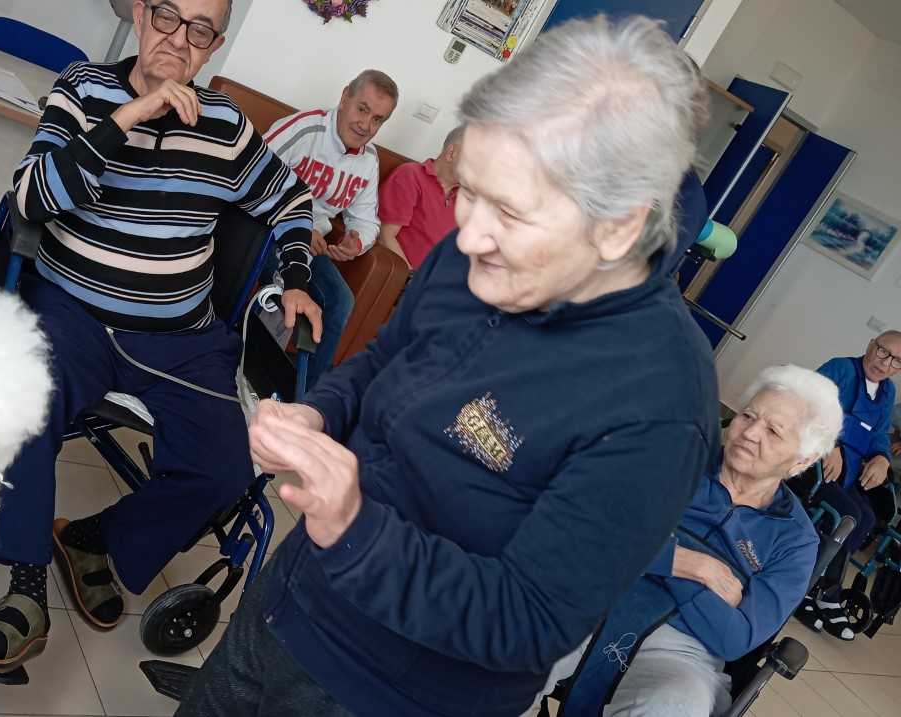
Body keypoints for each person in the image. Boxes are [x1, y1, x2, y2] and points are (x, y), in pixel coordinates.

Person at [176, 15, 718, 717]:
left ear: (618, 227)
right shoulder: (470, 253)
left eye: (510, 212)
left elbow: (529, 619)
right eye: (472, 191)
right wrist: (319, 412)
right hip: (289, 599)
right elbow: (383, 360)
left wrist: (355, 529)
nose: (469, 233)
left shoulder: (661, 404)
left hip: (390, 694)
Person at [0, 0, 323, 674]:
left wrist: (296, 275)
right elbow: (32, 197)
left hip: (181, 334)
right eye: (168, 15)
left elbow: (292, 201)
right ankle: (26, 587)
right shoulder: (84, 88)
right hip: (73, 310)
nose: (179, 38)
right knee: (26, 397)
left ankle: (95, 539)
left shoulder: (226, 126)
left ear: (214, 46)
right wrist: (127, 118)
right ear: (142, 14)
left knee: (230, 466)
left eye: (200, 29)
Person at [539, 365, 840, 717]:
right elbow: (588, 533)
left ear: (803, 459)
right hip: (591, 596)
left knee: (674, 706)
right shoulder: (675, 454)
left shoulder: (795, 540)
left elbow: (735, 638)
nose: (750, 433)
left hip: (682, 650)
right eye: (747, 416)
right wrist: (692, 566)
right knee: (513, 642)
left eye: (773, 431)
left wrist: (650, 551)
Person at [262, 69, 396, 385]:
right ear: (345, 96)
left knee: (341, 302)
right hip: (266, 230)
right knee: (283, 288)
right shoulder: (306, 129)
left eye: (377, 119)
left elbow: (366, 220)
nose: (366, 125)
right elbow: (252, 175)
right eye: (362, 109)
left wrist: (357, 242)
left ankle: (305, 395)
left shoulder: (369, 160)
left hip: (311, 248)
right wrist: (297, 225)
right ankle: (250, 371)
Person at [801, 330, 901, 640]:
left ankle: (823, 589)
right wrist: (829, 442)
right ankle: (811, 589)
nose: (885, 363)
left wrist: (882, 459)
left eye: (896, 361)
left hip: (847, 474)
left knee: (867, 519)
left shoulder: (887, 393)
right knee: (848, 516)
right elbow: (805, 403)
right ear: (871, 345)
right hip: (812, 464)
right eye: (883, 352)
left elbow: (879, 435)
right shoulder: (841, 369)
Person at [377, 125, 462, 269]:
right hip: (404, 276)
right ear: (451, 153)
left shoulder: (465, 200)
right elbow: (385, 236)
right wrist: (412, 278)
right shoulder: (411, 175)